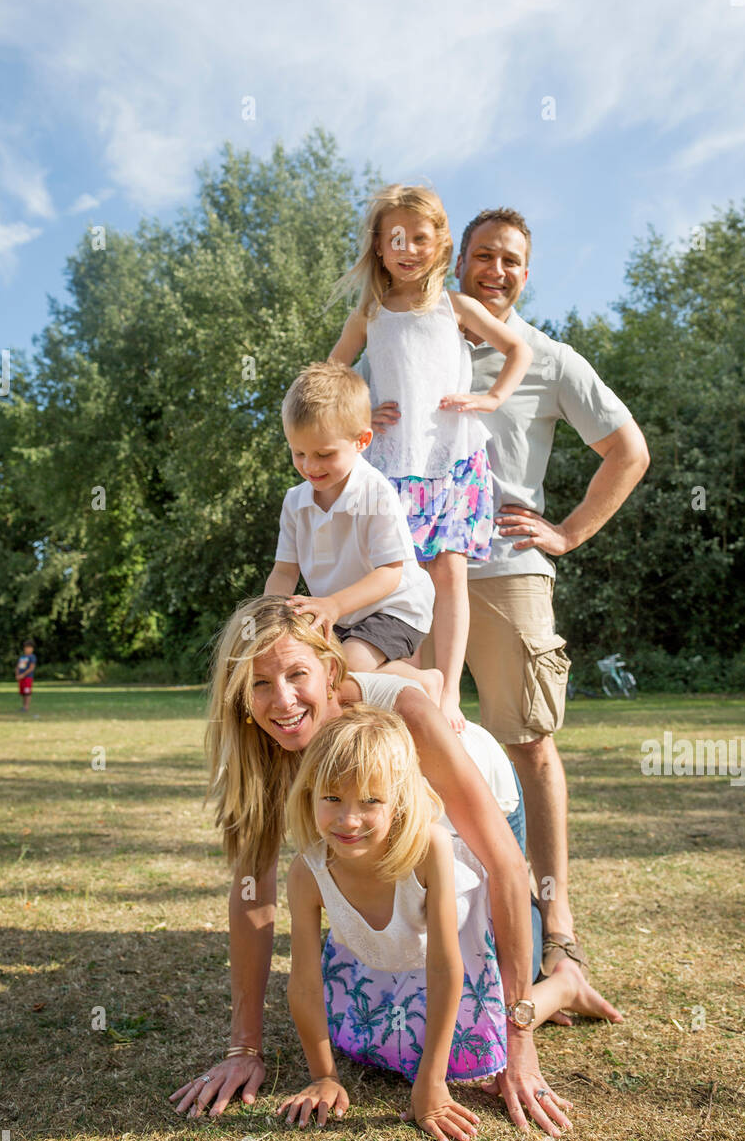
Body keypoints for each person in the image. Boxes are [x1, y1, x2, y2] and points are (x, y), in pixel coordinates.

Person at [169, 598, 618, 1134]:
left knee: (468, 997)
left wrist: (517, 1038)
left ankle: (560, 982)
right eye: (259, 684)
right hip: (383, 847)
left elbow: (504, 864)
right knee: (384, 1008)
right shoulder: (257, 745)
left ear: (331, 671)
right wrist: (245, 1046)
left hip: (471, 825)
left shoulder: (402, 713)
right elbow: (252, 893)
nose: (282, 700)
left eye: (296, 674)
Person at [372, 208, 650, 985]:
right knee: (410, 749)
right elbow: (337, 424)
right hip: (402, 580)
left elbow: (629, 451)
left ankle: (557, 933)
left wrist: (565, 532)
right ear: (457, 261)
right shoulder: (404, 332)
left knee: (528, 745)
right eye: (484, 255)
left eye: (512, 260)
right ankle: (423, 930)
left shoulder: (549, 360)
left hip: (504, 574)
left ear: (528, 274)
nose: (496, 270)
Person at [279, 706, 594, 1141]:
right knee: (370, 1044)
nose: (348, 819)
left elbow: (446, 968)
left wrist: (431, 1082)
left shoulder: (431, 848)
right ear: (309, 794)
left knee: (482, 1038)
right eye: (332, 798)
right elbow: (306, 983)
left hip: (466, 951)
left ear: (400, 800)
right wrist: (323, 1076)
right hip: (389, 958)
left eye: (371, 800)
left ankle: (563, 985)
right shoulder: (306, 871)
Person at [329, 183, 532, 732]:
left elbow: (520, 349)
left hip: (455, 458)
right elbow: (330, 378)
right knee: (401, 583)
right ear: (378, 245)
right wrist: (360, 419)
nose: (409, 248)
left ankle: (447, 696)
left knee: (449, 575)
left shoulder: (456, 307)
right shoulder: (369, 315)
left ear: (440, 243)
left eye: (421, 237)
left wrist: (491, 399)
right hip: (393, 465)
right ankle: (407, 688)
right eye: (397, 237)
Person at [264, 361, 437, 697]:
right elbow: (284, 572)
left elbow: (390, 573)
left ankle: (425, 680)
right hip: (340, 612)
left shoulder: (374, 493)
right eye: (298, 453)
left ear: (362, 440)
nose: (310, 466)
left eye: (324, 454)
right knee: (312, 670)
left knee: (350, 665)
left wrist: (333, 605)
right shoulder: (295, 502)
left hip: (395, 605)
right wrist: (272, 619)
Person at [15, 640, 36, 713]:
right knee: (23, 693)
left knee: (27, 692)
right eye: (26, 647)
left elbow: (31, 668)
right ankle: (23, 707)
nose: (27, 649)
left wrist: (23, 675)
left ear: (32, 649)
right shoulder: (22, 657)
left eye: (29, 647)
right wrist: (17, 675)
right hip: (21, 678)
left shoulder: (32, 657)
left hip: (27, 678)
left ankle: (26, 707)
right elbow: (18, 667)